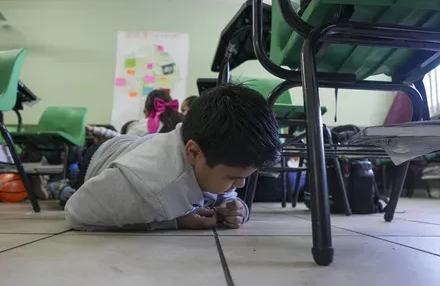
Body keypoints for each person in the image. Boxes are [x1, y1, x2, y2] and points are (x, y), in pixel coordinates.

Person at [64, 84, 281, 231]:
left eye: (245, 176)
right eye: (232, 177)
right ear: (194, 153)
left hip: (139, 149)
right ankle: (61, 186)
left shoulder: (207, 150)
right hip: (99, 158)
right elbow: (76, 213)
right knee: (72, 185)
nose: (241, 184)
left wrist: (236, 205)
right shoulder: (148, 187)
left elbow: (226, 189)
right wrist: (174, 220)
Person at [48, 90, 185, 206]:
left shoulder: (141, 125)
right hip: (169, 184)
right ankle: (68, 186)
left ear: (146, 110)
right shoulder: (181, 123)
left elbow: (121, 146)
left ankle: (67, 188)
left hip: (135, 179)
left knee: (92, 153)